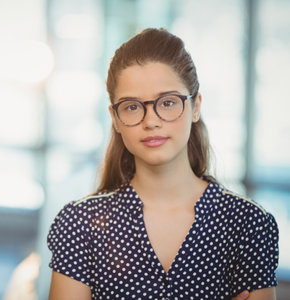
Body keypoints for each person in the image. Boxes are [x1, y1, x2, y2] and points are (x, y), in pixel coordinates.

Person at [47, 28, 279, 299]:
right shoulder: (79, 224)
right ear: (115, 118)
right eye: (132, 106)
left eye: (168, 102)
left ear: (196, 107)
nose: (151, 121)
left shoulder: (248, 223)